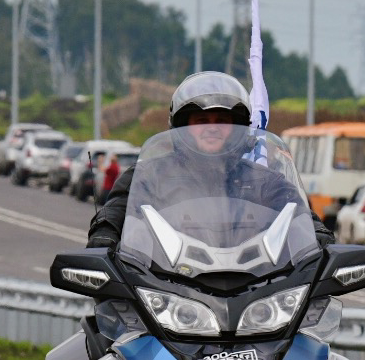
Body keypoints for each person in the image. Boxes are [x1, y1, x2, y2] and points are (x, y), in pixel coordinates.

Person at [89, 71, 330, 251]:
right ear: (183, 127)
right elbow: (119, 207)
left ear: (237, 128)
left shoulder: (264, 181)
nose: (212, 128)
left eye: (222, 121)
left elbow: (298, 213)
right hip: (167, 289)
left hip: (254, 291)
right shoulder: (149, 176)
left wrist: (319, 236)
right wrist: (104, 234)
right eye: (201, 121)